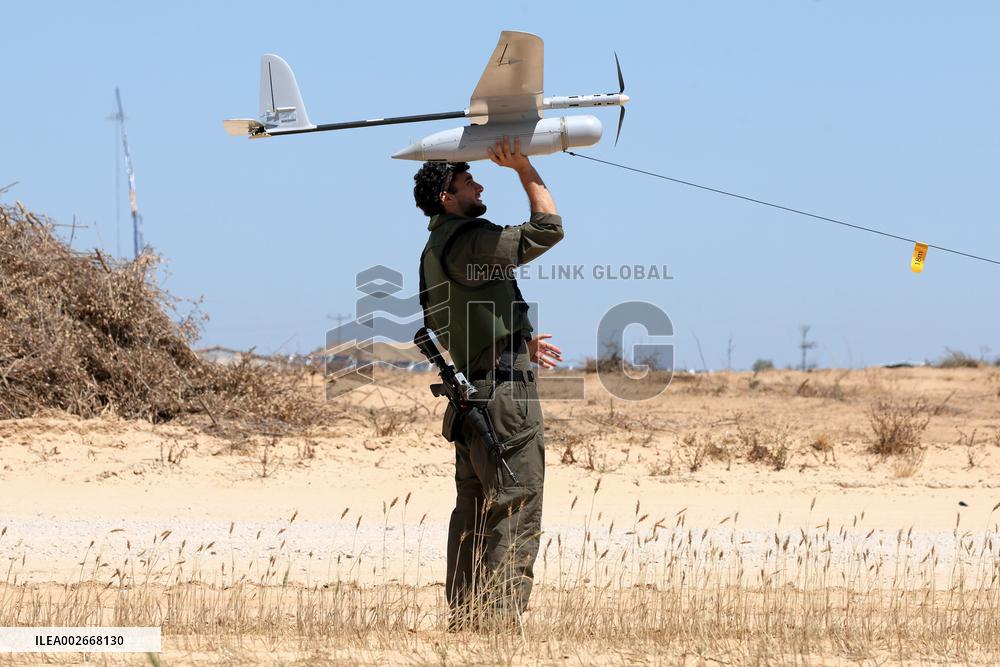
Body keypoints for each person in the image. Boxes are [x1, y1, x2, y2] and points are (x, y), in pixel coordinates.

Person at [414, 137, 564, 629]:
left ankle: (466, 621)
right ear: (447, 198)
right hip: (501, 399)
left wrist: (511, 338)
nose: (479, 186)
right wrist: (523, 167)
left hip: (471, 396)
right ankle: (497, 625)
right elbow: (547, 229)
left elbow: (449, 318)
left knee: (474, 513)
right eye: (468, 182)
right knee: (515, 505)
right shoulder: (470, 238)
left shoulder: (434, 248)